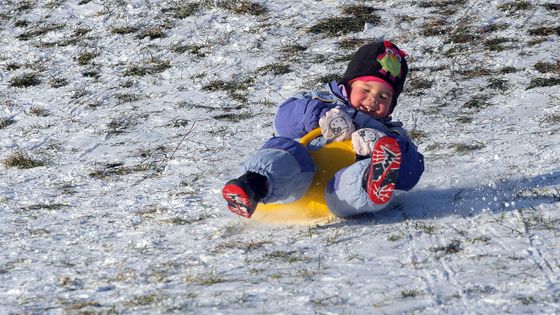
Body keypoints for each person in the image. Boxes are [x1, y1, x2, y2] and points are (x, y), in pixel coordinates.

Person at [222, 40, 424, 218]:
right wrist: (320, 118)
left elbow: (411, 174)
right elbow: (283, 119)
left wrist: (383, 146)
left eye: (384, 97)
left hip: (336, 193)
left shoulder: (390, 133)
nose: (372, 100)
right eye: (365, 90)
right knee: (286, 150)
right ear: (349, 85)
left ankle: (369, 182)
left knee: (356, 176)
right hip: (293, 177)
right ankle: (253, 186)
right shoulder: (323, 101)